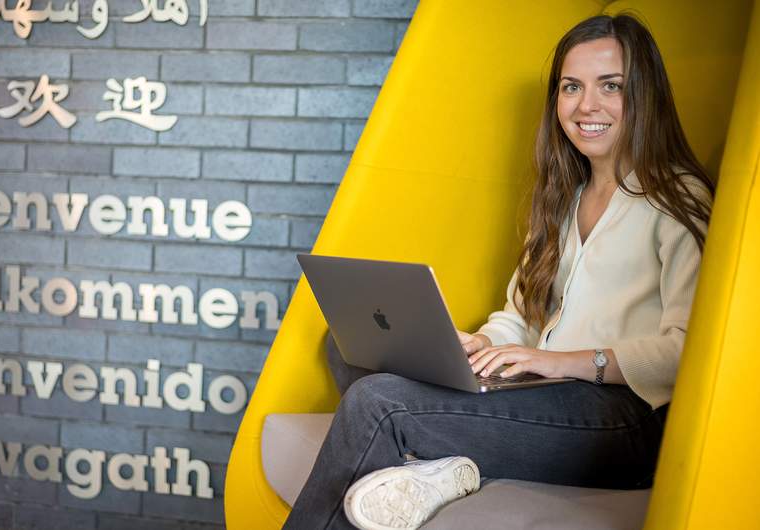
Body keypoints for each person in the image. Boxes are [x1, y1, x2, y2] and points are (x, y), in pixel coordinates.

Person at [282, 13, 714, 530]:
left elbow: (691, 350)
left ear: (645, 96)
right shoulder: (564, 197)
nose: (586, 106)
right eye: (571, 87)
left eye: (611, 86)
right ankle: (446, 470)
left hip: (622, 420)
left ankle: (433, 463)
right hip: (545, 391)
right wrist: (482, 346)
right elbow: (521, 314)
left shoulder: (677, 198)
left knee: (377, 403)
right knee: (344, 344)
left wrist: (564, 362)